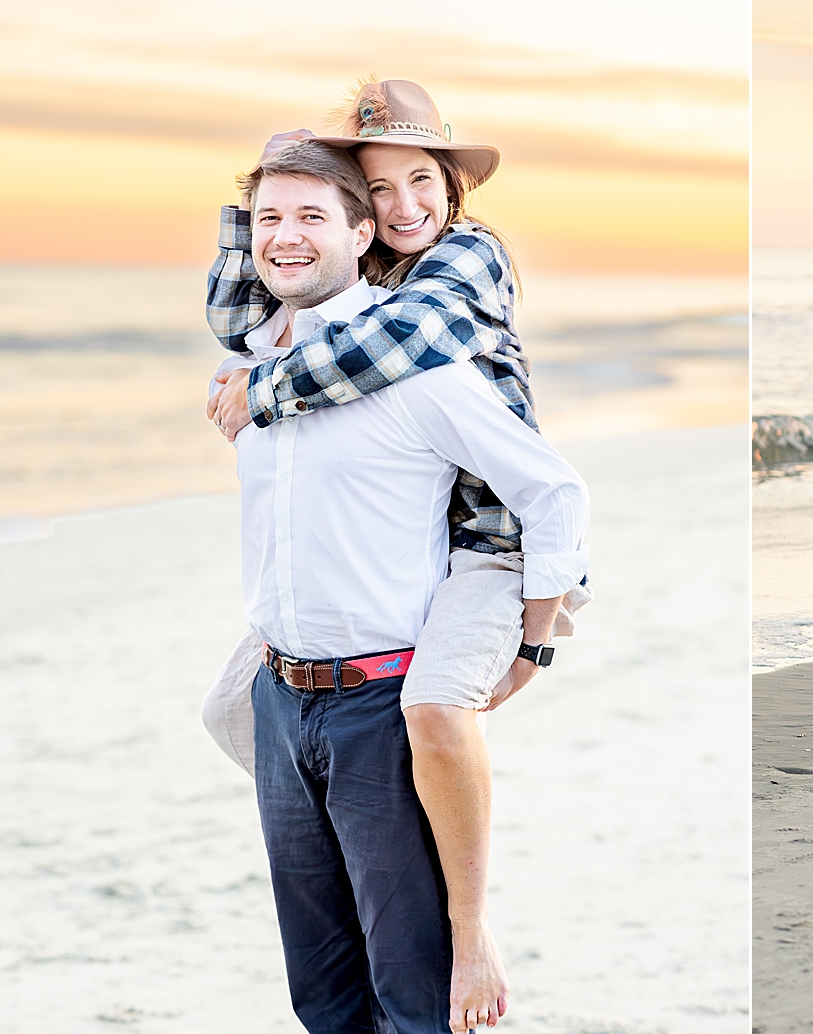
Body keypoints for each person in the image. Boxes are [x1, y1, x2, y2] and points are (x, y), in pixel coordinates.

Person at [226, 139, 588, 1032]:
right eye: (270, 217)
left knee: (415, 998)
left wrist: (536, 636)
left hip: (378, 704)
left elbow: (555, 489)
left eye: (314, 216)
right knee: (323, 994)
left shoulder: (416, 367)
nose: (287, 236)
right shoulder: (252, 370)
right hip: (281, 699)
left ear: (362, 233)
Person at [203, 80, 588, 786]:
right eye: (377, 188)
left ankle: (449, 886)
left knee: (436, 710)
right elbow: (237, 322)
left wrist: (262, 390)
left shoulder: (469, 252)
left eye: (422, 180)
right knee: (230, 709)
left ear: (452, 186)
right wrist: (269, 179)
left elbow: (402, 337)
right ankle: (332, 807)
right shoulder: (368, 264)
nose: (405, 206)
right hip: (421, 539)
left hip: (495, 540)